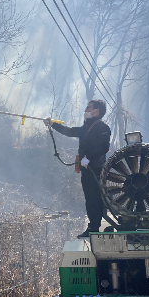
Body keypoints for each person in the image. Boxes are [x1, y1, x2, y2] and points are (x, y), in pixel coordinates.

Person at [45, 100, 111, 238]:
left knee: (94, 199)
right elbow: (69, 131)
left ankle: (93, 228)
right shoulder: (86, 127)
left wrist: (90, 158)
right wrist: (53, 124)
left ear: (96, 111)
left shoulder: (103, 128)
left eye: (89, 107)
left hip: (96, 169)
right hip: (86, 169)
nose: (86, 109)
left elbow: (103, 148)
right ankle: (92, 227)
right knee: (89, 198)